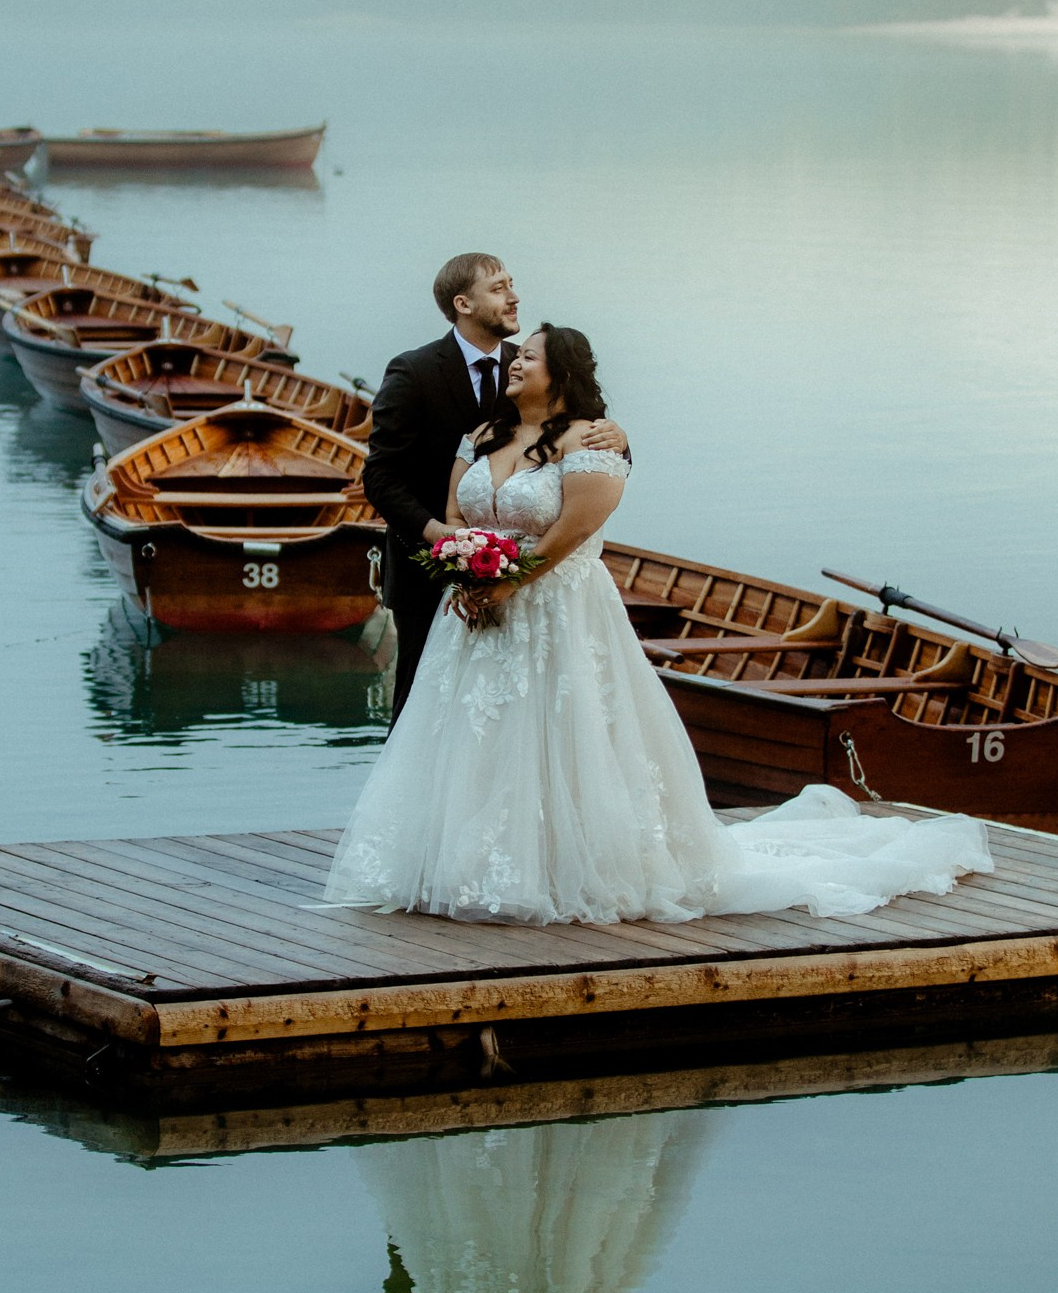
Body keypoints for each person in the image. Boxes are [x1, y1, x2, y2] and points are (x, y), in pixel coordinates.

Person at [325, 320, 992, 926]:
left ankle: (566, 867)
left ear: (561, 372)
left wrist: (506, 585)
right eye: (515, 354)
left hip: (557, 609)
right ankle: (462, 864)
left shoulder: (590, 442)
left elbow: (568, 534)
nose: (514, 361)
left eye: (528, 355)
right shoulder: (482, 436)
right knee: (474, 736)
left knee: (563, 733)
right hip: (471, 613)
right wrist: (464, 573)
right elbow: (458, 515)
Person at [361, 253, 624, 722]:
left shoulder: (532, 366)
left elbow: (587, 449)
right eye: (500, 288)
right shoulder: (414, 371)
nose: (514, 296)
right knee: (422, 711)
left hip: (536, 577)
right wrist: (440, 537)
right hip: (431, 573)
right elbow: (380, 476)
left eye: (512, 285)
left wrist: (619, 438)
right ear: (463, 303)